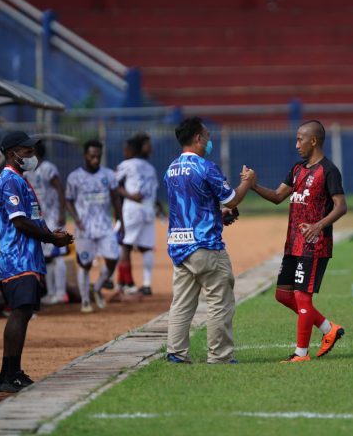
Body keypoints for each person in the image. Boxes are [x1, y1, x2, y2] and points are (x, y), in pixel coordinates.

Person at [252, 120, 347, 363]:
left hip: (315, 244)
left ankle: (301, 354)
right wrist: (253, 185)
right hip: (293, 243)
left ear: (313, 141)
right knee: (283, 295)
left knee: (303, 297)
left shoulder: (329, 170)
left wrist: (318, 226)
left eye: (299, 139)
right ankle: (328, 329)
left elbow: (341, 206)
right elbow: (276, 196)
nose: (296, 144)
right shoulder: (297, 169)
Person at [165, 117, 254, 364]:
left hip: (179, 245)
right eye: (207, 136)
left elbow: (189, 203)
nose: (209, 140)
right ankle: (220, 355)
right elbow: (232, 199)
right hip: (206, 246)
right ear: (197, 138)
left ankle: (176, 352)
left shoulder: (171, 168)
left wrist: (217, 216)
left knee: (181, 303)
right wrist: (247, 183)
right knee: (219, 301)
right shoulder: (206, 167)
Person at [0, 131, 73, 392]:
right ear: (12, 153)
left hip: (26, 255)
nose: (31, 155)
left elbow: (32, 218)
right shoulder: (9, 181)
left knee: (24, 311)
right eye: (26, 150)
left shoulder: (20, 180)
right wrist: (51, 238)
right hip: (16, 257)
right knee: (20, 311)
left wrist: (51, 234)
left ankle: (10, 373)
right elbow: (19, 221)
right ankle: (8, 374)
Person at [66, 140, 123, 313]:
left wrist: (121, 221)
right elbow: (68, 200)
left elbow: (115, 198)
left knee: (113, 257)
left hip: (105, 226)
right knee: (85, 263)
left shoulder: (108, 175)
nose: (96, 160)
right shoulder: (74, 177)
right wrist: (76, 219)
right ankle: (85, 301)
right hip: (84, 228)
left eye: (98, 156)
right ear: (85, 156)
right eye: (92, 156)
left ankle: (97, 288)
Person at [115, 133, 159, 295]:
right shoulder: (149, 168)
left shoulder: (127, 164)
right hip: (148, 209)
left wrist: (128, 195)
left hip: (133, 208)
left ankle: (128, 283)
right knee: (146, 247)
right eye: (148, 145)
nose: (151, 148)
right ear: (139, 147)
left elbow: (115, 184)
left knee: (125, 245)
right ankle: (146, 284)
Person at [24, 141, 69, 304]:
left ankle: (61, 292)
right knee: (47, 257)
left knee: (57, 255)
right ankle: (51, 293)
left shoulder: (49, 168)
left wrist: (62, 212)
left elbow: (60, 189)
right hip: (40, 219)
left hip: (54, 217)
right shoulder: (27, 172)